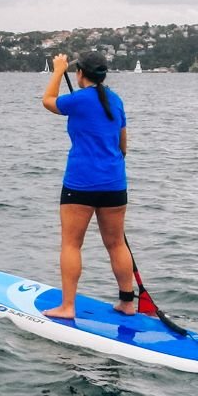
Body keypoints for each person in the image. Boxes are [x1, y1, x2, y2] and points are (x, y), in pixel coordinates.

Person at [40, 51, 135, 319]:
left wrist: (58, 70)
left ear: (80, 73)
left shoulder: (79, 99)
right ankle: (127, 302)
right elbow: (123, 145)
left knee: (71, 244)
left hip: (80, 183)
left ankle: (68, 307)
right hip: (114, 182)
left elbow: (48, 101)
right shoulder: (115, 101)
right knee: (117, 244)